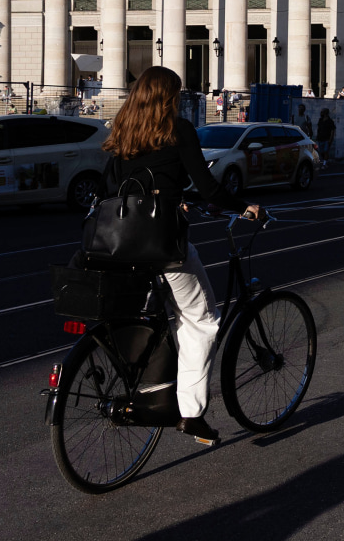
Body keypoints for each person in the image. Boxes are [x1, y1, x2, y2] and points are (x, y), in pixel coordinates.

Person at [100, 66, 257, 446]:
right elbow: (210, 189)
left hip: (120, 246)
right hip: (164, 244)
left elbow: (115, 186)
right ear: (169, 97)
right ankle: (192, 413)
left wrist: (170, 199)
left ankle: (151, 385)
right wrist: (244, 206)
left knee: (159, 315)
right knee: (201, 320)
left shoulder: (122, 131)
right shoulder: (178, 130)